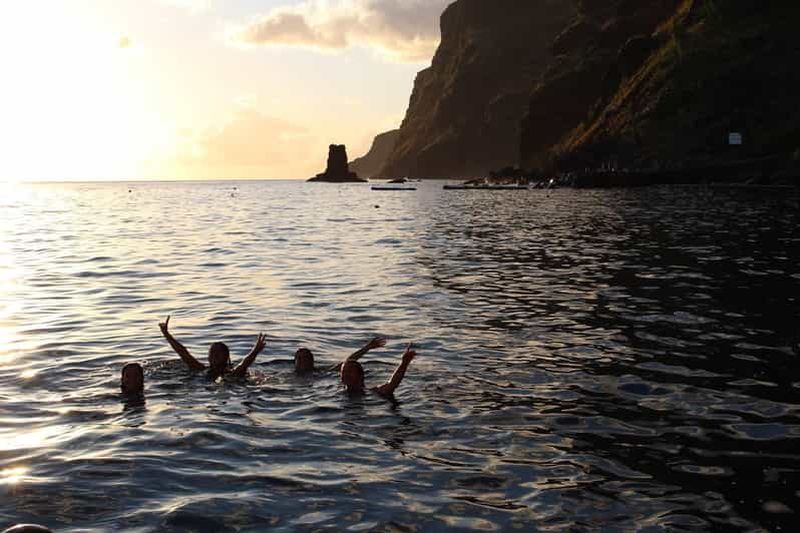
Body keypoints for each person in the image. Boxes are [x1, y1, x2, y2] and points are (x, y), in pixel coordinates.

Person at [158, 315, 266, 380]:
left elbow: (244, 364)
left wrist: (255, 351)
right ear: (208, 357)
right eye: (212, 352)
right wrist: (166, 334)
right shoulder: (200, 369)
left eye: (218, 353)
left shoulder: (232, 373)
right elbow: (184, 353)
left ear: (226, 357)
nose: (214, 355)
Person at [340, 343, 417, 397]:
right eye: (343, 372)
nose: (345, 375)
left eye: (349, 372)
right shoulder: (337, 392)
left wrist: (404, 363)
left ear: (360, 375)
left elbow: (392, 384)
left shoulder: (371, 392)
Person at [294, 337, 387, 375]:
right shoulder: (285, 376)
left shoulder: (322, 373)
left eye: (305, 358)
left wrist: (367, 348)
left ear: (312, 361)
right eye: (299, 358)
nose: (301, 361)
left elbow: (346, 363)